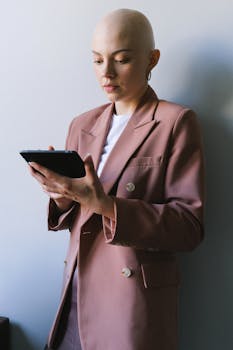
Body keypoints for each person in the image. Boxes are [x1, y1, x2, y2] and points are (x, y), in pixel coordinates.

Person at [29, 8, 205, 350]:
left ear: (152, 59)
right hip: (77, 290)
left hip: (131, 301)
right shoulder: (82, 124)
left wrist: (106, 205)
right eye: (97, 60)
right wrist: (62, 195)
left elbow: (188, 227)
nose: (106, 72)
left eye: (121, 59)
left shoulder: (175, 122)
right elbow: (78, 215)